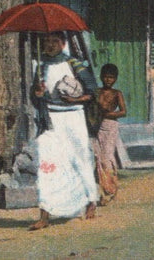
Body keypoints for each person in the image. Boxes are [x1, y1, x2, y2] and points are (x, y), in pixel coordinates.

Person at [30, 32, 99, 231]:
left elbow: (92, 92)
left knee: (80, 159)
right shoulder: (40, 67)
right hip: (51, 119)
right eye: (46, 41)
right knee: (48, 163)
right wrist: (38, 93)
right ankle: (45, 214)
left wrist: (76, 99)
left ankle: (91, 200)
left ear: (63, 43)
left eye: (54, 41)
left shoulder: (75, 64)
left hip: (74, 117)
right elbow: (35, 97)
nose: (50, 45)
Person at [93, 63, 126, 206]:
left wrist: (109, 114)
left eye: (111, 77)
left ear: (116, 79)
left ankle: (110, 190)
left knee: (107, 159)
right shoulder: (96, 92)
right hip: (96, 126)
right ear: (101, 77)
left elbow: (124, 112)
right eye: (106, 77)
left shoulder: (117, 93)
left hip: (110, 125)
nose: (108, 80)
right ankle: (102, 193)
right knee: (98, 160)